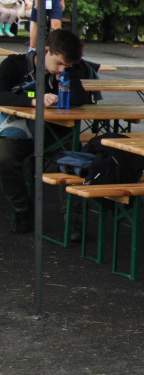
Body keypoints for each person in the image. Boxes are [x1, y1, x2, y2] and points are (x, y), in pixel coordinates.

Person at [0, 30, 90, 233]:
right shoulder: (14, 65)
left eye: (66, 66)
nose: (61, 69)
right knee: (4, 159)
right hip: (17, 129)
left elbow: (81, 99)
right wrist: (32, 100)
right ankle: (21, 206)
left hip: (54, 132)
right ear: (45, 51)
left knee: (74, 158)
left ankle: (72, 220)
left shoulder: (67, 70)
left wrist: (64, 80)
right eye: (58, 63)